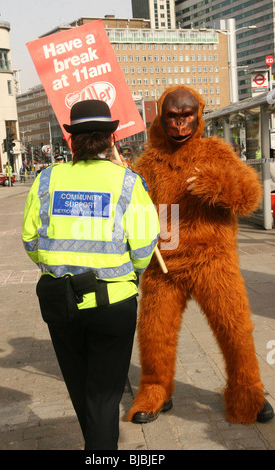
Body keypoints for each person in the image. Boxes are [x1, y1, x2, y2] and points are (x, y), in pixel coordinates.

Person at [126, 85, 274, 426]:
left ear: (199, 115)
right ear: (160, 118)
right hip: (163, 264)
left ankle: (248, 392)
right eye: (172, 117)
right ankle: (155, 389)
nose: (179, 125)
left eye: (187, 116)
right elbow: (136, 211)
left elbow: (249, 197)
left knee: (235, 331)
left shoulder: (216, 152)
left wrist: (217, 183)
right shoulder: (146, 162)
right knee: (154, 333)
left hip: (214, 261)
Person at [22, 99, 159, 450]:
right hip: (113, 303)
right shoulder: (128, 182)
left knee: (82, 390)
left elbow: (31, 238)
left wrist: (55, 265)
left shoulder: (46, 179)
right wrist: (131, 271)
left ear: (72, 140)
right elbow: (145, 244)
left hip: (61, 301)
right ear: (110, 138)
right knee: (103, 396)